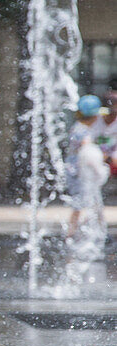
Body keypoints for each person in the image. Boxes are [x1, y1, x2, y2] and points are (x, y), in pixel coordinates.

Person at [66, 93, 106, 239]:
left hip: (77, 170)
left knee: (90, 201)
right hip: (79, 172)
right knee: (81, 202)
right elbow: (87, 150)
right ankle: (73, 231)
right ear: (94, 116)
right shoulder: (83, 131)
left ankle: (94, 229)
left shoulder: (78, 127)